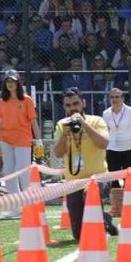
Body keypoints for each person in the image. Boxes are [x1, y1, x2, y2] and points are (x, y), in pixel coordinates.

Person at [54, 87, 117, 240]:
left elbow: (104, 143)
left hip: (98, 177)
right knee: (78, 235)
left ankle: (102, 226)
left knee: (90, 192)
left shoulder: (97, 121)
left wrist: (84, 125)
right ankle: (106, 220)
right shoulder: (62, 125)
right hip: (74, 181)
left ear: (83, 103)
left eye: (75, 104)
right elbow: (57, 153)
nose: (72, 108)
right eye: (68, 105)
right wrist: (65, 135)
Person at [0, 69, 41, 218]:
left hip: (23, 139)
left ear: (18, 83)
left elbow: (33, 121)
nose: (10, 84)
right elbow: (1, 121)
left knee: (23, 172)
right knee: (8, 173)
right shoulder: (2, 101)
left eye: (13, 81)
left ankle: (29, 205)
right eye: (8, 81)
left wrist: (38, 140)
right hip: (5, 139)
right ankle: (16, 207)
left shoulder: (27, 100)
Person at [103, 87, 131, 188]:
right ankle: (116, 202)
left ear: (122, 98)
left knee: (128, 179)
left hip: (130, 148)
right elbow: (106, 129)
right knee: (114, 180)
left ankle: (129, 202)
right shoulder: (106, 113)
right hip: (112, 149)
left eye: (117, 97)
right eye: (112, 97)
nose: (114, 99)